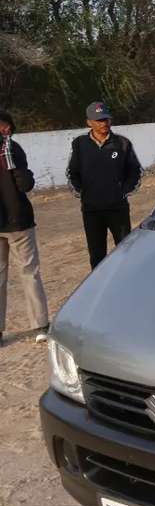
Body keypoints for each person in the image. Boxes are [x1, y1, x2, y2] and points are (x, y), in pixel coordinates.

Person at [66, 102, 142, 270]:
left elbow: (135, 171)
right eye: (99, 120)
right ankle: (99, 290)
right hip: (91, 211)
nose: (104, 124)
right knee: (96, 255)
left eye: (106, 119)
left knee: (125, 252)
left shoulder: (122, 143)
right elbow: (72, 173)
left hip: (118, 209)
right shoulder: (79, 144)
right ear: (89, 122)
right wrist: (83, 193)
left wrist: (123, 192)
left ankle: (125, 284)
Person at [0, 109, 49, 347]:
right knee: (25, 273)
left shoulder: (14, 150)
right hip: (15, 220)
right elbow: (26, 184)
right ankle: (37, 326)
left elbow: (25, 184)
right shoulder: (13, 149)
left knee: (19, 274)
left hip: (17, 223)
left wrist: (16, 168)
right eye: (2, 125)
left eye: (7, 125)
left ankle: (36, 325)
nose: (6, 129)